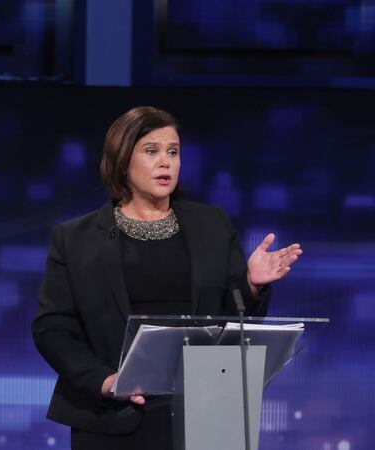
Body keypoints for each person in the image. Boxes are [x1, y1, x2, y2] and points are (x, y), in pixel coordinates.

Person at [31, 106, 301, 449]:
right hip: (111, 417)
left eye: (173, 152)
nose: (166, 162)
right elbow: (52, 327)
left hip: (207, 413)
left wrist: (251, 285)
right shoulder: (76, 238)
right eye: (151, 151)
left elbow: (234, 322)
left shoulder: (212, 226)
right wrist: (103, 381)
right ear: (122, 160)